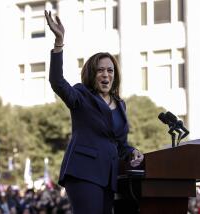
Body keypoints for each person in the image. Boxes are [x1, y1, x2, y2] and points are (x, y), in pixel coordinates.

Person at [44, 11, 144, 214]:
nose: (106, 74)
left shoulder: (120, 105)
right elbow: (57, 82)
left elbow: (119, 143)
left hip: (109, 177)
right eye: (100, 70)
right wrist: (59, 43)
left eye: (110, 70)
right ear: (92, 74)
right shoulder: (81, 95)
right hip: (83, 173)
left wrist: (133, 151)